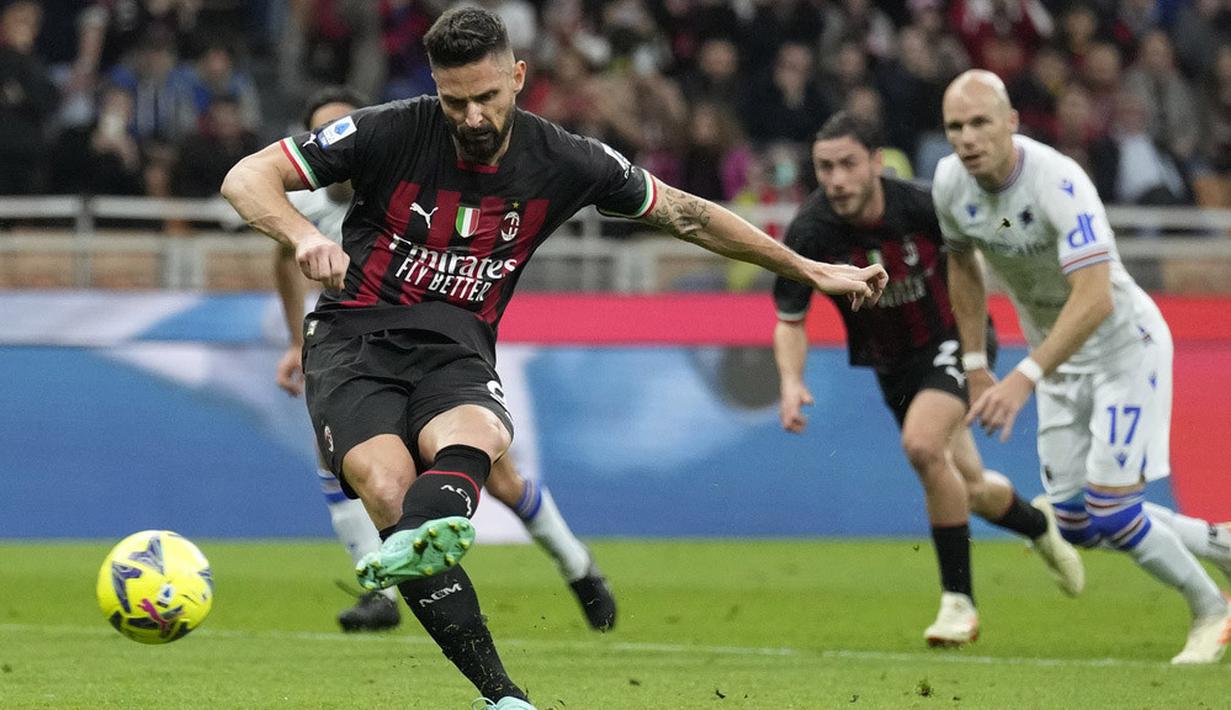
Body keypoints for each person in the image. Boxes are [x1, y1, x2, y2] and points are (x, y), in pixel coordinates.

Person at [221, 8, 887, 709]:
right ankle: (499, 690)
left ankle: (440, 543)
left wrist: (806, 267)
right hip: (355, 336)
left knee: (481, 434)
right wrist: (300, 235)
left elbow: (687, 214)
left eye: (487, 97)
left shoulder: (565, 158)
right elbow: (247, 175)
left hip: (455, 344)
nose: (472, 117)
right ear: (434, 89)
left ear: (518, 76)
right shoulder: (388, 128)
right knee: (385, 488)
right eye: (455, 101)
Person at [276, 87, 617, 634]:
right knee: (338, 453)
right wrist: (297, 341)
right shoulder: (310, 203)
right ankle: (382, 593)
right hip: (359, 349)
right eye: (324, 131)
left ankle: (577, 566)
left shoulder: (404, 181)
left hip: (435, 349)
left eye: (344, 126)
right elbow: (283, 258)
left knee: (502, 480)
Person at [935, 69, 1231, 664]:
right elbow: (962, 267)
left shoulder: (1058, 182)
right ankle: (1221, 544)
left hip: (1124, 348)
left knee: (1114, 510)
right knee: (1074, 520)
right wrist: (974, 363)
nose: (967, 138)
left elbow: (1094, 296)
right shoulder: (949, 185)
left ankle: (1213, 610)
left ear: (1011, 123)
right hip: (1061, 363)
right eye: (955, 127)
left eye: (980, 123)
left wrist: (1023, 376)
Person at [773, 111, 1083, 648]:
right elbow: (790, 320)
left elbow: (989, 231)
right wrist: (790, 380)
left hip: (956, 343)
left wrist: (1027, 229)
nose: (836, 179)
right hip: (891, 363)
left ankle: (958, 602)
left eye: (848, 164)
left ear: (876, 161)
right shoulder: (811, 230)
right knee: (968, 487)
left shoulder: (921, 205)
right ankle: (1038, 527)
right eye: (824, 168)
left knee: (921, 445)